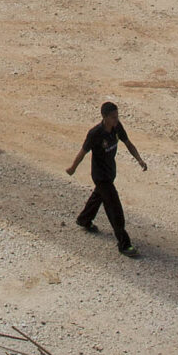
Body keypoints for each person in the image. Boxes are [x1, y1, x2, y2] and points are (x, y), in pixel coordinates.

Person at [67, 100, 147, 255]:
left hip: (110, 174)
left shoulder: (117, 127)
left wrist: (139, 159)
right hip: (101, 176)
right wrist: (73, 168)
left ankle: (84, 219)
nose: (116, 120)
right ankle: (124, 244)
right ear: (104, 117)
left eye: (117, 116)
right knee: (114, 209)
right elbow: (83, 152)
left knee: (99, 196)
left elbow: (128, 143)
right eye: (113, 117)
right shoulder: (95, 134)